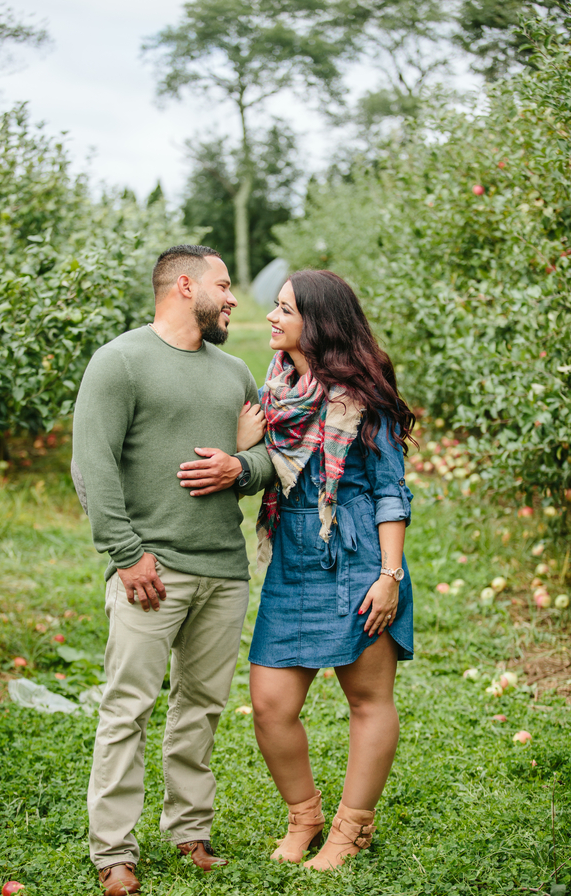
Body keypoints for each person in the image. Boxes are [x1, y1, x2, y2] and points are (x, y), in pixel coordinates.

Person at [71, 244, 272, 896]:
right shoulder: (121, 362)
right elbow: (92, 464)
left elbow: (270, 460)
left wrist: (239, 467)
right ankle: (113, 852)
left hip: (224, 570)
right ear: (185, 286)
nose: (233, 298)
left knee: (201, 708)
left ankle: (190, 830)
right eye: (224, 285)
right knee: (127, 709)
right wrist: (126, 555)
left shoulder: (235, 373)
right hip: (151, 571)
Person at [242, 269, 416, 871]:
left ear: (316, 323)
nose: (271, 316)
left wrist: (388, 577)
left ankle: (352, 827)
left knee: (367, 699)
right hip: (293, 557)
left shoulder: (364, 396)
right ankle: (305, 815)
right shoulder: (275, 391)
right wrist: (244, 440)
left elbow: (391, 492)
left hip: (358, 555)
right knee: (269, 703)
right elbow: (256, 465)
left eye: (284, 308)